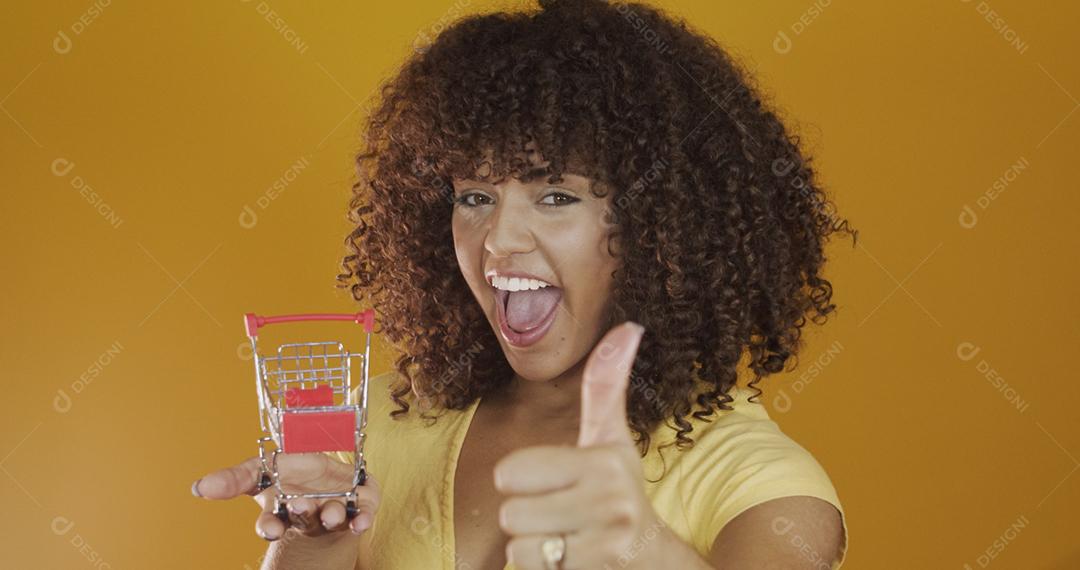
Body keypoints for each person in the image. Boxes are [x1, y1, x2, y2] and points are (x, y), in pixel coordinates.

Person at [192, 0, 858, 568]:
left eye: (557, 197)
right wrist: (313, 544)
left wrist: (644, 551)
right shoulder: (378, 431)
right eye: (475, 196)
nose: (499, 240)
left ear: (663, 225)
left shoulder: (757, 479)